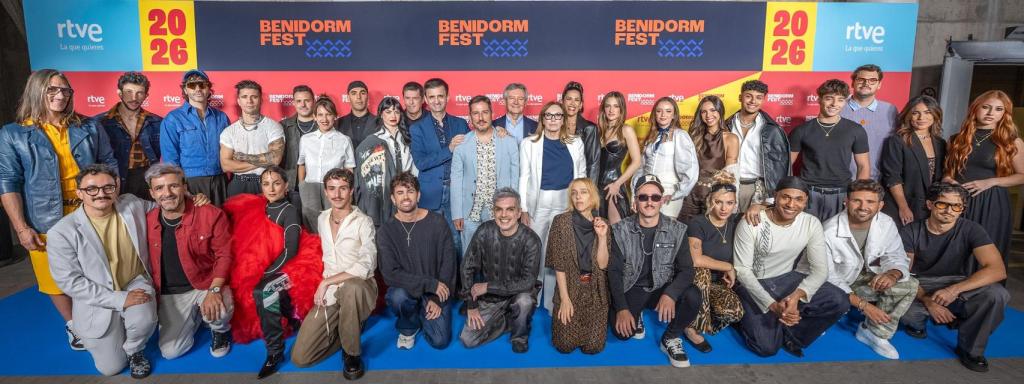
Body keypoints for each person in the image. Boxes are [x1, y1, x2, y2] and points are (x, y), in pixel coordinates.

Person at [0, 68, 118, 351]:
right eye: (52, 89)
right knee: (54, 278)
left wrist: (111, 198)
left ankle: (103, 316)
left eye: (65, 90)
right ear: (36, 91)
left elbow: (109, 163)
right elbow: (8, 183)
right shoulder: (14, 134)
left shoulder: (89, 126)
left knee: (99, 270)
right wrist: (21, 227)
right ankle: (73, 325)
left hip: (90, 213)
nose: (60, 95)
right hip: (45, 219)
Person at [46, 164, 155, 378]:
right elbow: (69, 282)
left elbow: (164, 206)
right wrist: (119, 299)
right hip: (96, 296)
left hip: (134, 280)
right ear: (79, 193)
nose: (101, 194)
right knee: (110, 368)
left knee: (144, 318)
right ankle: (106, 333)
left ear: (117, 187)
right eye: (92, 189)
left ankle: (135, 349)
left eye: (108, 187)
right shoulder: (61, 232)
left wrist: (193, 198)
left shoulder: (131, 203)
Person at [223, 166, 322, 379]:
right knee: (250, 288)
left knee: (264, 291)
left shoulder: (289, 211)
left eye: (276, 183)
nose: (271, 188)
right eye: (266, 184)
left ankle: (274, 352)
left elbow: (291, 250)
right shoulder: (256, 207)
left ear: (286, 186)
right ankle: (289, 315)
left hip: (293, 266)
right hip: (270, 268)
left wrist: (264, 274)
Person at [732, 176, 848, 357]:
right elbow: (743, 271)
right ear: (775, 196)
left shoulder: (811, 223)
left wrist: (796, 297)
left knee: (839, 300)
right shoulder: (752, 221)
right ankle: (744, 319)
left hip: (786, 278)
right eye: (786, 197)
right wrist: (772, 306)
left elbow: (820, 270)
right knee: (767, 348)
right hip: (752, 283)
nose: (791, 204)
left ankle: (793, 336)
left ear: (805, 202)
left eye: (799, 199)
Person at [899, 182, 1008, 372]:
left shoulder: (972, 229)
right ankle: (926, 321)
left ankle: (971, 349)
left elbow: (997, 270)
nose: (949, 211)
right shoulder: (911, 231)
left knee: (997, 294)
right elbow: (903, 274)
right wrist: (928, 301)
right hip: (920, 284)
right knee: (903, 310)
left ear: (962, 209)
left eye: (956, 206)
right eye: (943, 204)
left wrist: (954, 290)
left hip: (956, 283)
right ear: (930, 205)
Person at [608, 175, 702, 368]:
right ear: (635, 201)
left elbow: (687, 270)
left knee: (693, 295)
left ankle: (671, 338)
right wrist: (622, 309)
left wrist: (670, 294)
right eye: (643, 197)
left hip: (662, 286)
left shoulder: (677, 229)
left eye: (655, 197)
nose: (649, 202)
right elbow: (614, 272)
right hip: (633, 286)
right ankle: (637, 312)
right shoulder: (620, 230)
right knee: (622, 334)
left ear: (662, 200)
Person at [291, 169, 377, 380]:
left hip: (360, 288)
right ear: (326, 192)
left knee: (352, 287)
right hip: (330, 293)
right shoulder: (321, 219)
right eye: (332, 189)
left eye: (343, 189)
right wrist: (326, 284)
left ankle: (351, 353)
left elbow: (367, 265)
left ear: (351, 191)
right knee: (300, 357)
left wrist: (326, 281)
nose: (337, 194)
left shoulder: (363, 222)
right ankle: (349, 328)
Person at [144, 163, 233, 360]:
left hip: (205, 284)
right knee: (172, 352)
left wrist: (215, 289)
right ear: (152, 193)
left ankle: (219, 329)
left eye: (173, 186)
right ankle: (196, 317)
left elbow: (224, 255)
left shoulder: (210, 214)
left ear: (185, 187)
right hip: (172, 293)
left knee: (221, 310)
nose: (167, 193)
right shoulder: (147, 220)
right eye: (159, 188)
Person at [823, 179, 917, 359]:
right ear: (846, 201)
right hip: (838, 285)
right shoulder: (828, 230)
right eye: (857, 200)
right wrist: (864, 305)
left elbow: (895, 255)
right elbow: (828, 277)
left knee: (909, 284)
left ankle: (874, 333)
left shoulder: (886, 223)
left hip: (868, 277)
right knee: (830, 294)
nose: (862, 207)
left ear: (880, 205)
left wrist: (892, 273)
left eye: (870, 202)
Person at [519, 101, 587, 312]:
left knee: (557, 252)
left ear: (564, 119)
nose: (553, 120)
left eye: (558, 116)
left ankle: (550, 299)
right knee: (536, 250)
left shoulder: (576, 143)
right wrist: (523, 207)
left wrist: (579, 205)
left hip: (564, 202)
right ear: (542, 119)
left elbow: (581, 175)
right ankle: (533, 296)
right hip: (538, 203)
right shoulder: (529, 143)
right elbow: (524, 177)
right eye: (549, 115)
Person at [377, 172, 457, 350]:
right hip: (408, 290)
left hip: (436, 289)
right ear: (393, 198)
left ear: (418, 195)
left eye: (410, 191)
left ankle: (423, 309)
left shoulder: (438, 222)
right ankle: (409, 324)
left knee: (440, 341)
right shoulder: (386, 231)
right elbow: (390, 274)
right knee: (397, 297)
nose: (406, 197)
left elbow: (448, 263)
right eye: (400, 192)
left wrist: (437, 299)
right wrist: (429, 284)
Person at [943, 90, 1024, 266]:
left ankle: (986, 292)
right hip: (958, 200)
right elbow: (948, 172)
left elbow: (1022, 176)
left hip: (991, 203)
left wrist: (991, 181)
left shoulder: (1011, 142)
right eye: (986, 107)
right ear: (975, 108)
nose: (990, 113)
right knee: (955, 249)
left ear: (1005, 113)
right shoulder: (956, 139)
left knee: (986, 251)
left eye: (998, 109)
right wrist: (949, 180)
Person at [459, 188, 542, 352]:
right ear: (494, 212)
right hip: (491, 299)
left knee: (524, 301)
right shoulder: (484, 231)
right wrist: (471, 304)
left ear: (518, 213)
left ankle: (519, 336)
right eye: (499, 209)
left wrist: (488, 286)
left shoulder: (532, 240)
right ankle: (509, 320)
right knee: (468, 340)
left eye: (510, 209)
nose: (504, 215)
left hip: (518, 294)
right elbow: (466, 267)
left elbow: (528, 282)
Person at [789, 79, 870, 221]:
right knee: (806, 238)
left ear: (845, 102)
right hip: (808, 193)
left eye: (840, 100)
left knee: (836, 239)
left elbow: (863, 166)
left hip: (842, 193)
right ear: (819, 99)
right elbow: (786, 164)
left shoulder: (856, 130)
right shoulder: (801, 131)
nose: (834, 104)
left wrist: (856, 196)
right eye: (829, 99)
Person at [546, 178, 610, 354]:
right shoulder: (561, 222)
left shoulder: (602, 223)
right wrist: (565, 299)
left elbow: (603, 265)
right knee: (564, 345)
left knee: (594, 347)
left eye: (583, 192)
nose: (578, 197)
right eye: (574, 193)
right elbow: (559, 265)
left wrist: (602, 237)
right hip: (570, 289)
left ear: (593, 196)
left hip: (594, 291)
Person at [684, 172, 744, 353]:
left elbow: (768, 206)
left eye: (729, 203)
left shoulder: (736, 221)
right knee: (702, 270)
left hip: (719, 283)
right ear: (710, 201)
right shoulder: (698, 222)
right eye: (719, 202)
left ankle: (704, 314)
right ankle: (691, 327)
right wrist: (728, 266)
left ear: (735, 204)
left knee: (735, 312)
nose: (724, 208)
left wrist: (756, 206)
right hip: (695, 280)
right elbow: (696, 259)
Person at [452, 96, 521, 253]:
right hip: (470, 212)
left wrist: (514, 207)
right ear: (470, 117)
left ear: (492, 114)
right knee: (469, 257)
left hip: (500, 210)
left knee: (500, 256)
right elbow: (456, 180)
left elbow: (515, 177)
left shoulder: (508, 141)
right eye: (476, 113)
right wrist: (457, 213)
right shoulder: (461, 145)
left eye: (484, 112)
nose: (481, 118)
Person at [410, 78, 470, 256]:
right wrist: (449, 149)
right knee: (431, 243)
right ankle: (436, 284)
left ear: (447, 97)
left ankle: (461, 284)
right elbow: (421, 163)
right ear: (426, 100)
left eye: (440, 96)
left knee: (458, 242)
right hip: (431, 192)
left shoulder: (460, 124)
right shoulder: (417, 128)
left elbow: (471, 155)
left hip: (457, 192)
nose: (436, 100)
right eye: (432, 97)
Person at [160, 69, 230, 206]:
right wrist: (180, 186)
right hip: (190, 181)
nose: (198, 89)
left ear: (209, 89)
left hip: (219, 179)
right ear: (185, 90)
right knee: (197, 224)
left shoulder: (221, 117)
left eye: (202, 85)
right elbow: (170, 160)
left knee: (221, 221)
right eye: (192, 85)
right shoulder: (173, 119)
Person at [724, 80, 791, 217]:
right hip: (729, 184)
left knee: (755, 228)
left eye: (759, 97)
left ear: (763, 100)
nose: (753, 101)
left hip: (759, 187)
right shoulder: (726, 126)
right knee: (729, 226)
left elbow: (779, 165)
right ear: (740, 97)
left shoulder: (772, 130)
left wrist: (772, 196)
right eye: (748, 96)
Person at [880, 95, 946, 227]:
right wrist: (903, 208)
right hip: (903, 204)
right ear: (908, 115)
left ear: (935, 115)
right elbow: (893, 178)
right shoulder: (897, 141)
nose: (922, 118)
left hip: (929, 206)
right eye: (916, 113)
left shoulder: (940, 143)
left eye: (928, 112)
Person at [94, 71, 162, 200]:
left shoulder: (156, 121)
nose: (134, 98)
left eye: (139, 93)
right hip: (115, 177)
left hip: (147, 178)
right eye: (128, 92)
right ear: (119, 93)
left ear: (146, 95)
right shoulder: (100, 122)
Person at [355, 97, 417, 227]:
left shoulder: (409, 138)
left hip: (405, 192)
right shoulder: (372, 141)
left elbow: (414, 167)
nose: (393, 115)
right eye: (388, 112)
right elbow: (364, 175)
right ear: (381, 114)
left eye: (396, 111)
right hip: (383, 195)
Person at [297, 96, 355, 232]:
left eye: (329, 114)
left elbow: (349, 168)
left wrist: (346, 190)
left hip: (335, 188)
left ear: (335, 116)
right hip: (310, 187)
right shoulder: (306, 139)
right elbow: (301, 164)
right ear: (315, 117)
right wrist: (302, 185)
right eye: (321, 115)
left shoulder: (344, 140)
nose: (325, 119)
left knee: (334, 224)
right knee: (312, 227)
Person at [219, 80, 286, 198]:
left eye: (254, 97)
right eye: (244, 97)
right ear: (239, 101)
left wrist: (243, 157)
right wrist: (263, 161)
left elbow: (275, 159)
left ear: (261, 100)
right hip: (238, 184)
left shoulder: (273, 126)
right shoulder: (229, 131)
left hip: (266, 183)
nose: (249, 101)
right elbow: (226, 165)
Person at [635, 97, 699, 218]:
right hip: (647, 193)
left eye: (668, 111)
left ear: (674, 115)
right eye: (659, 111)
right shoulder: (652, 136)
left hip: (668, 194)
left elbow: (690, 170)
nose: (663, 115)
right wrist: (636, 191)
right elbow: (641, 168)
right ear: (655, 113)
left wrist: (677, 194)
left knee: (666, 232)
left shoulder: (680, 135)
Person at [678, 95, 739, 223]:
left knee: (709, 234)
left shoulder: (730, 138)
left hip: (714, 195)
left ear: (720, 111)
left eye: (713, 110)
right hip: (691, 195)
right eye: (704, 111)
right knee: (685, 233)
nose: (708, 115)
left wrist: (727, 201)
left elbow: (731, 174)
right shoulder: (694, 136)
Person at [841, 64, 899, 180]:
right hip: (840, 180)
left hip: (878, 181)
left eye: (872, 80)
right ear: (852, 83)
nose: (866, 83)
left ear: (879, 84)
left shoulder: (890, 110)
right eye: (861, 79)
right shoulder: (838, 107)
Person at [596, 90, 642, 224]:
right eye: (608, 106)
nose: (611, 110)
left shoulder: (626, 130)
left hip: (614, 186)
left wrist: (617, 184)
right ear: (603, 109)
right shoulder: (599, 131)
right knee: (600, 232)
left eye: (616, 106)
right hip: (596, 187)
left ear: (621, 110)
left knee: (617, 231)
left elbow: (637, 161)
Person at [560, 81, 601, 181]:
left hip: (579, 182)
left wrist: (589, 191)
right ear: (562, 102)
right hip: (557, 181)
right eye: (569, 99)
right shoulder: (554, 125)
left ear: (581, 105)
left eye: (577, 100)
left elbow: (593, 164)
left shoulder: (590, 128)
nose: (572, 103)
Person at [280, 85, 317, 189]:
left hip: (316, 183)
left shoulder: (323, 125)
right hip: (289, 184)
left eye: (307, 100)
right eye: (299, 101)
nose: (303, 104)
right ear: (293, 103)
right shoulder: (283, 126)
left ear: (313, 101)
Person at [338, 80, 376, 148]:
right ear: (348, 98)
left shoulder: (379, 122)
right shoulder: (338, 123)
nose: (358, 97)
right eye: (354, 93)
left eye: (362, 93)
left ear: (367, 97)